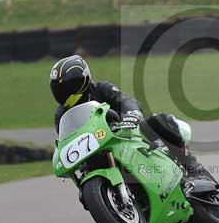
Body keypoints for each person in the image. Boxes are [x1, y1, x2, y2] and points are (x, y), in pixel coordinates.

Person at [50, 55, 202, 178]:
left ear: (80, 81)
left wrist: (132, 113)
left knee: (158, 120)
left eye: (64, 87)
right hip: (96, 152)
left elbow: (125, 100)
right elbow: (66, 140)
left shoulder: (101, 89)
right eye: (57, 88)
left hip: (125, 133)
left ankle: (190, 164)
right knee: (84, 192)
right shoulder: (61, 115)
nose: (61, 92)